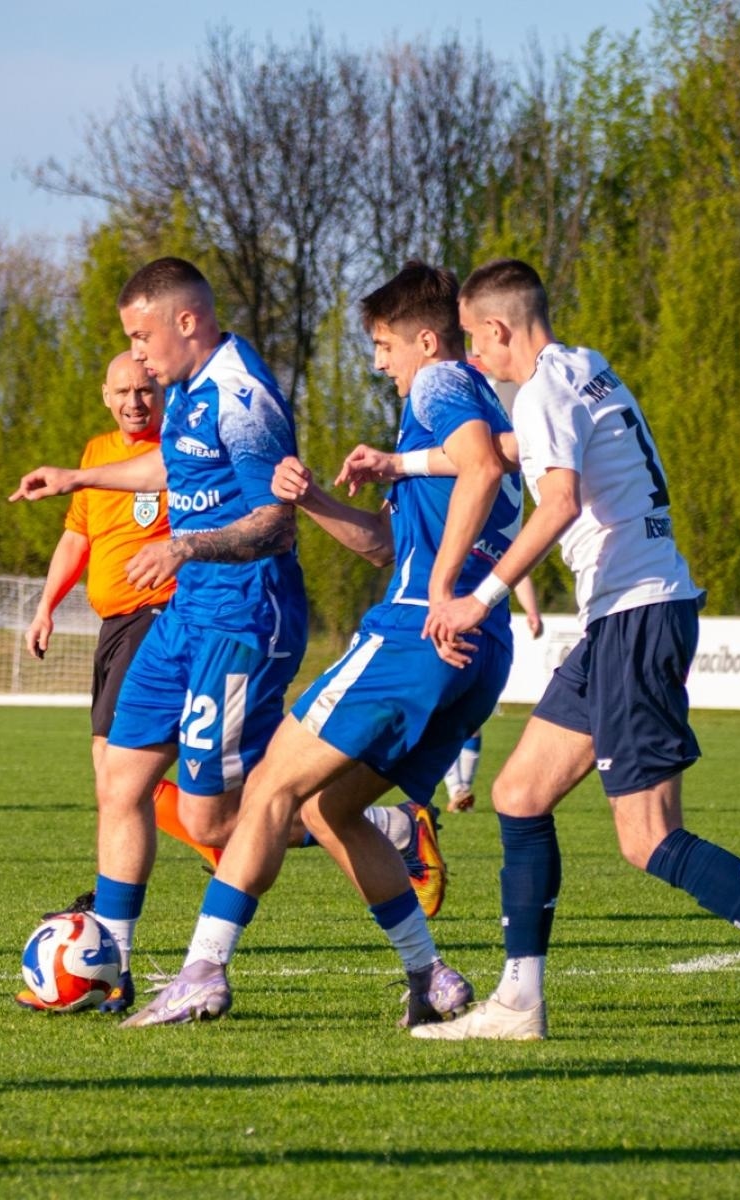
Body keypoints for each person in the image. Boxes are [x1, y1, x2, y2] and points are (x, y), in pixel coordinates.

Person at [346, 258, 740, 1051]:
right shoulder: (584, 369)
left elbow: (554, 503)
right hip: (619, 619)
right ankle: (520, 1001)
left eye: (474, 343)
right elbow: (507, 450)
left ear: (495, 330)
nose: (471, 359)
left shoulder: (548, 386)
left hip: (638, 615)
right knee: (519, 794)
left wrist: (475, 598)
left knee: (647, 837)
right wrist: (401, 462)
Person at [14, 259, 447, 1011]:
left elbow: (275, 524)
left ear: (188, 321)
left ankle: (368, 819)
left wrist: (185, 546)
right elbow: (172, 469)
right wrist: (79, 478)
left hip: (246, 618)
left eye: (142, 336)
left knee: (212, 816)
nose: (138, 356)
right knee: (122, 780)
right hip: (187, 613)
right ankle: (109, 964)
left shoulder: (243, 397)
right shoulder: (186, 388)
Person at [121, 261, 518, 1029]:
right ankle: (429, 976)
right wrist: (319, 501)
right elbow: (385, 546)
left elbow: (482, 467)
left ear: (426, 340)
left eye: (382, 346)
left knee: (270, 786)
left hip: (417, 632)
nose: (379, 363)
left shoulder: (441, 385)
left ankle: (203, 970)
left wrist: (440, 593)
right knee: (334, 811)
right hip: (477, 649)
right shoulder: (442, 417)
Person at [14, 351, 202, 946]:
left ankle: (109, 913)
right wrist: (46, 606)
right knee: (114, 774)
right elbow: (78, 536)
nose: (134, 401)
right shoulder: (96, 454)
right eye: (123, 391)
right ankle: (220, 840)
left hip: (160, 618)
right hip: (113, 625)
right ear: (105, 394)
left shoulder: (182, 449)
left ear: (161, 391)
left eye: (144, 390)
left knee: (118, 778)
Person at [442, 577, 542, 814]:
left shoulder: (500, 541)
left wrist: (532, 611)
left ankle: (461, 791)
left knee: (471, 720)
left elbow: (522, 571)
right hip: (450, 629)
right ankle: (457, 790)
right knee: (442, 716)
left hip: (488, 638)